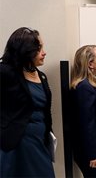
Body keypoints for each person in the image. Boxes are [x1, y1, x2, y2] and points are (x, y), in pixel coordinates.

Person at [0, 27, 55, 177]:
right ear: (25, 51)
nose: (44, 52)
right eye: (38, 49)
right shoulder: (6, 72)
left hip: (39, 141)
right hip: (16, 145)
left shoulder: (41, 76)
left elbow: (45, 110)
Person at [70, 45, 96, 178]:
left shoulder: (91, 83)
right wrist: (93, 154)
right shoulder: (84, 88)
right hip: (90, 150)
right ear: (90, 64)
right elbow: (86, 124)